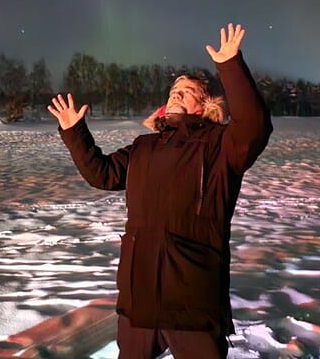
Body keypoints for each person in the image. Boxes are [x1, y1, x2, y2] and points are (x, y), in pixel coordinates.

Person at [48, 23, 273, 359]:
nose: (176, 92)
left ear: (205, 104)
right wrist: (74, 132)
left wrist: (230, 66)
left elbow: (254, 126)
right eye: (173, 89)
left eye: (188, 89)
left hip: (192, 296)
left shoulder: (219, 145)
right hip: (139, 295)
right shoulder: (144, 147)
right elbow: (103, 174)